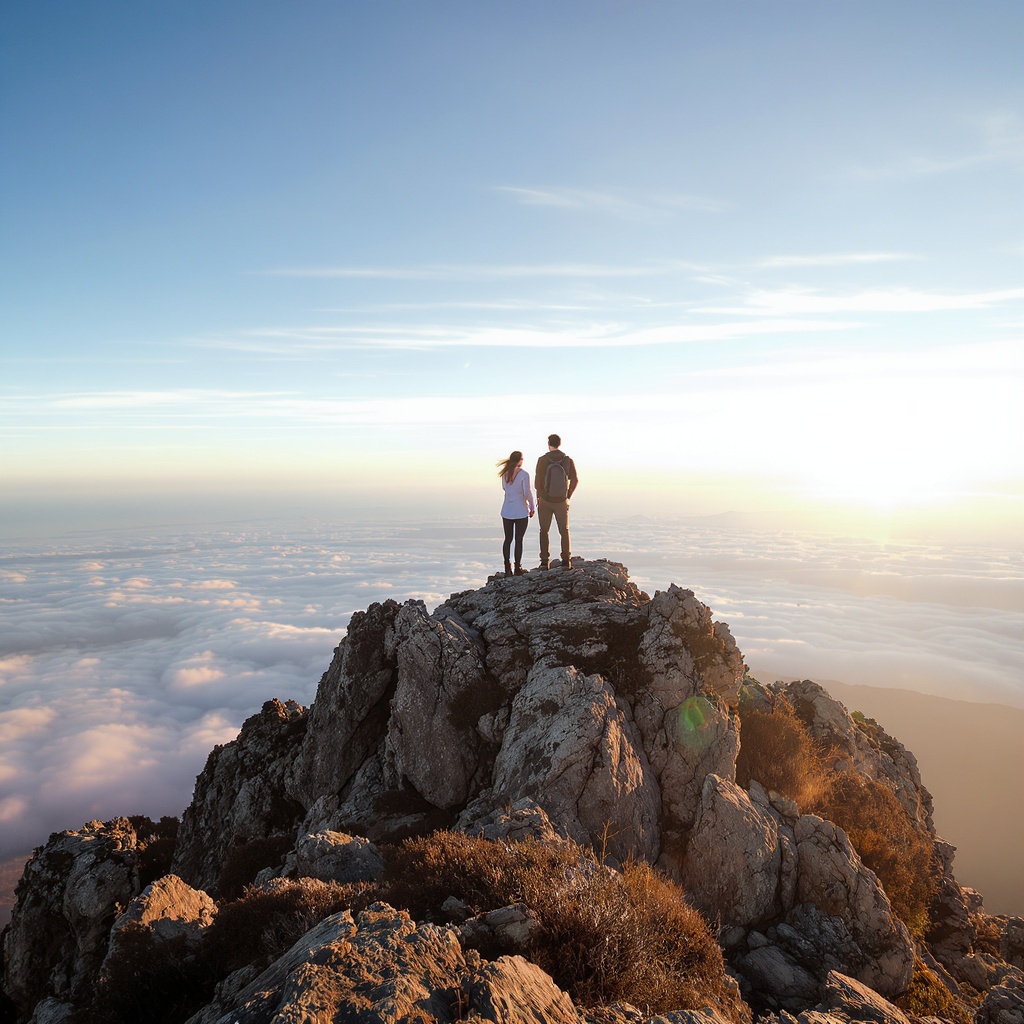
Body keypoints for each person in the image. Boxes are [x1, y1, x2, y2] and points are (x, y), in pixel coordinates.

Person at [535, 433, 578, 570]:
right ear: (560, 443)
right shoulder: (567, 460)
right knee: (564, 531)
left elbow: (537, 483)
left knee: (544, 531)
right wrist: (568, 495)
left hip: (545, 501)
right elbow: (575, 480)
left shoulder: (542, 460)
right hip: (561, 501)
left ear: (549, 444)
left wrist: (541, 496)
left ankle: (544, 562)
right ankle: (566, 561)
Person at [497, 450, 535, 576]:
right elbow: (526, 493)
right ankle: (517, 567)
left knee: (508, 539)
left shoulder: (505, 474)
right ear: (520, 460)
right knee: (519, 540)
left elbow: (504, 488)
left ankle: (507, 568)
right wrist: (531, 505)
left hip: (507, 510)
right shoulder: (524, 474)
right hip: (520, 511)